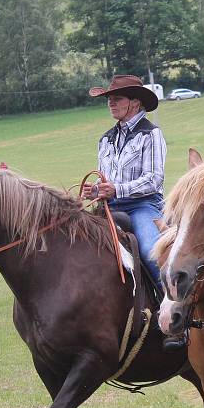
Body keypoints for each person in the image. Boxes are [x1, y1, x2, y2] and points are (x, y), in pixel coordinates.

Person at [85, 74, 167, 293]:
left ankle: (174, 308)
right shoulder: (105, 139)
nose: (111, 103)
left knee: (151, 252)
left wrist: (117, 190)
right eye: (109, 99)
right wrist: (94, 190)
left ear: (135, 102)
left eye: (117, 98)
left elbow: (154, 179)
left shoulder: (151, 134)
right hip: (110, 206)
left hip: (143, 206)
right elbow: (105, 178)